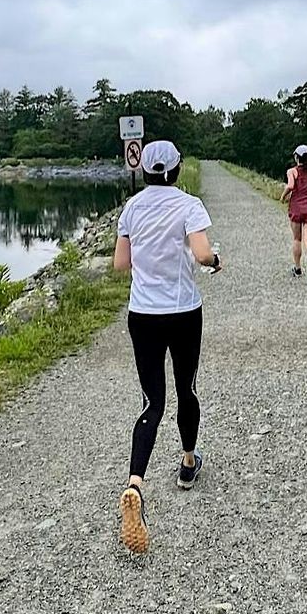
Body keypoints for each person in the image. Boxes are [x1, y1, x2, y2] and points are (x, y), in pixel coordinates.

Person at [112, 140, 221, 554]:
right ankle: (188, 464)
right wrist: (213, 261)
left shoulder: (132, 208)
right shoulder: (188, 205)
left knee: (151, 403)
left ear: (145, 172)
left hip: (143, 315)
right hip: (182, 312)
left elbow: (121, 264)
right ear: (175, 171)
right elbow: (201, 251)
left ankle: (135, 483)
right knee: (186, 389)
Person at [280, 143, 307, 283]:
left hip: (296, 207)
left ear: (296, 157)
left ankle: (298, 268)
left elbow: (291, 185)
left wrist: (283, 196)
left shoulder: (292, 171)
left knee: (297, 239)